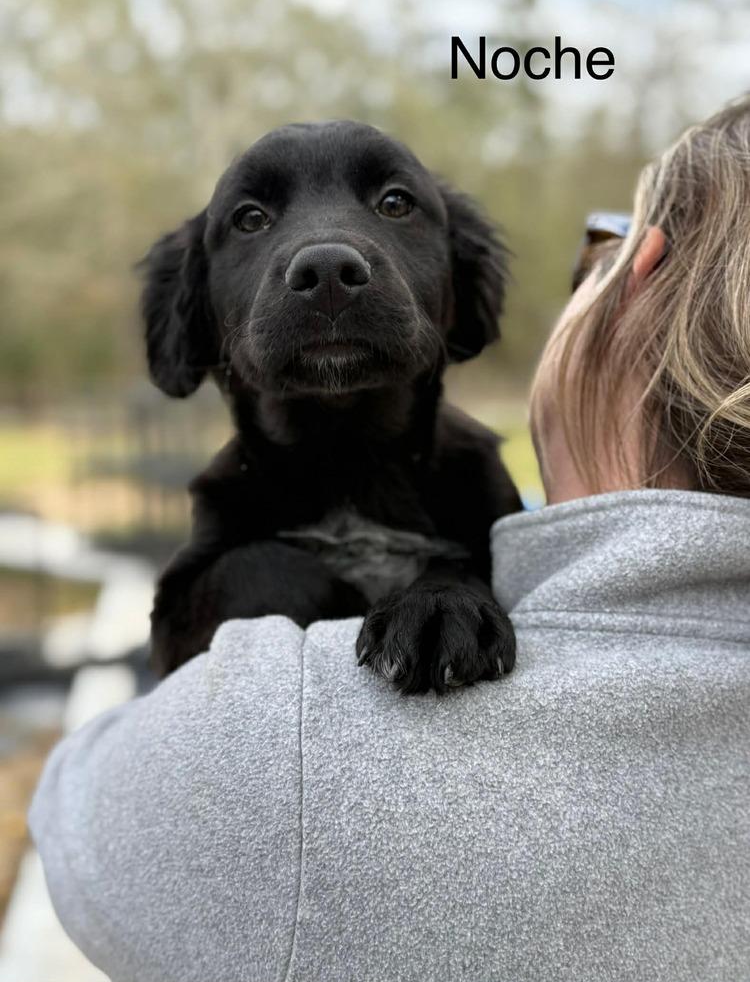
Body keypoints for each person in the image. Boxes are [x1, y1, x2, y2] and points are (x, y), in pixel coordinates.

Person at [29, 99, 750, 982]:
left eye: (395, 205)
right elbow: (179, 627)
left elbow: (75, 809)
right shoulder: (229, 518)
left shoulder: (489, 508)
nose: (327, 255)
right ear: (196, 315)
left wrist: (453, 586)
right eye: (252, 220)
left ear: (458, 290)